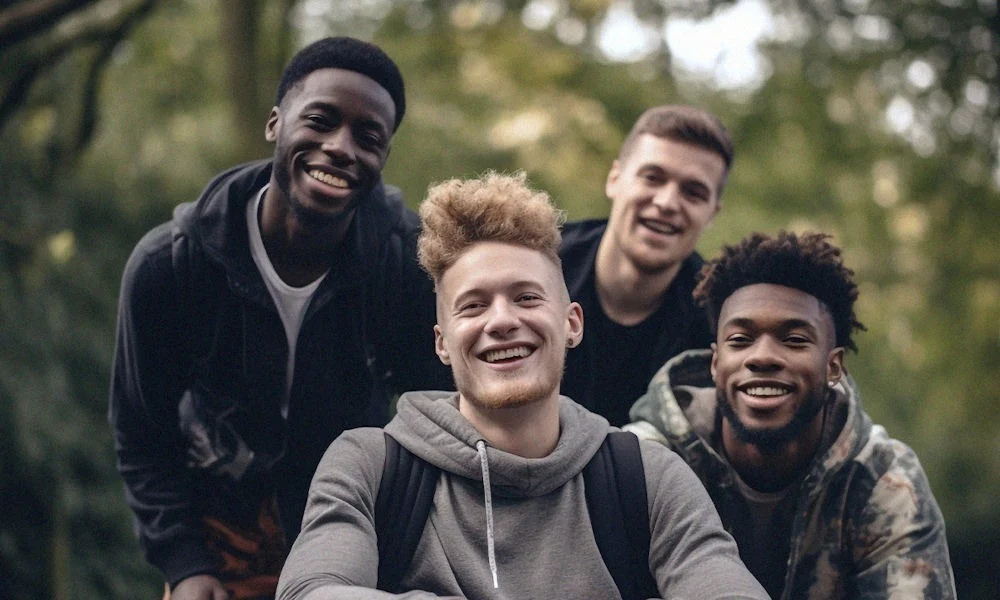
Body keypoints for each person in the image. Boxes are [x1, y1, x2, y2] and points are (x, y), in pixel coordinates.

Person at [275, 172, 768, 599]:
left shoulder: (646, 476)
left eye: (527, 297)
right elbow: (310, 590)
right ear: (442, 343)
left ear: (572, 322)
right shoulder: (371, 466)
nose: (502, 321)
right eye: (473, 306)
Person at [108, 37, 450, 599]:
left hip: (350, 526)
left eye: (369, 138)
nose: (341, 148)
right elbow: (140, 431)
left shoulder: (408, 267)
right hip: (218, 533)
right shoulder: (170, 265)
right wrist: (183, 564)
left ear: (384, 155)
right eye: (321, 120)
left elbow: (439, 418)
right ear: (275, 123)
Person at [627, 231, 957, 599]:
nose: (763, 356)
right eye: (740, 340)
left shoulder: (883, 483)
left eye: (794, 339)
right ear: (716, 364)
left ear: (834, 367)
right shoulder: (640, 465)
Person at [559, 104, 734, 425]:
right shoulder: (534, 268)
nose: (667, 203)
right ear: (614, 179)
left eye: (693, 192)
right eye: (652, 177)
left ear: (712, 213)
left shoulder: (721, 325)